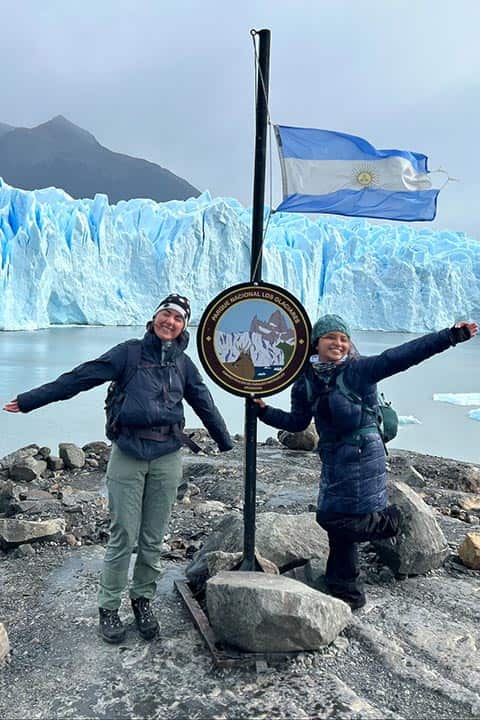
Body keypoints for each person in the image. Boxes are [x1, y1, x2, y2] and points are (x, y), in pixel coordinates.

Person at [3, 294, 233, 642]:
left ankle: (142, 600)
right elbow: (81, 378)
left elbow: (203, 401)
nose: (169, 322)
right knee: (123, 534)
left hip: (167, 456)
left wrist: (226, 441)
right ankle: (108, 608)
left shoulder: (184, 364)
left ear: (185, 326)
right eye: (165, 315)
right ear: (155, 317)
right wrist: (32, 399)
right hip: (127, 452)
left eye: (178, 318)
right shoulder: (127, 353)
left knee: (154, 537)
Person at [254, 314, 478, 610]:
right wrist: (264, 411)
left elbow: (403, 355)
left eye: (344, 339)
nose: (338, 343)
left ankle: (390, 521)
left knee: (335, 518)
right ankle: (345, 589)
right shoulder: (306, 381)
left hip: (363, 456)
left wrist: (450, 336)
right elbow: (297, 423)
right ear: (316, 342)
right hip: (334, 459)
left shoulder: (359, 370)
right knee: (336, 523)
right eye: (331, 337)